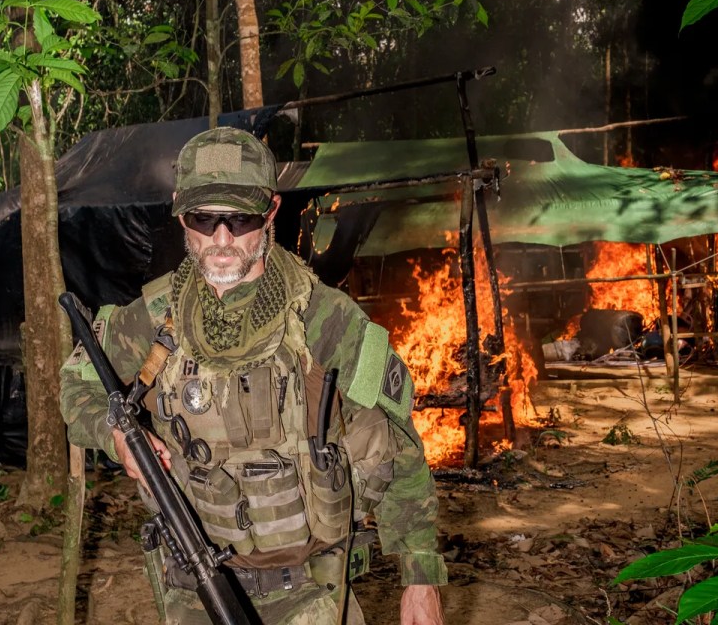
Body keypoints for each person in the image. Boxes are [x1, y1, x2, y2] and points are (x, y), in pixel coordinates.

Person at [60, 127, 447, 625]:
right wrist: (115, 437)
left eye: (241, 218)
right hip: (195, 591)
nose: (222, 239)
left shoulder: (326, 319)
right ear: (179, 212)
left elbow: (399, 445)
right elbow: (77, 386)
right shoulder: (153, 320)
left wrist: (420, 579)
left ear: (270, 212)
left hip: (312, 592)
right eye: (204, 219)